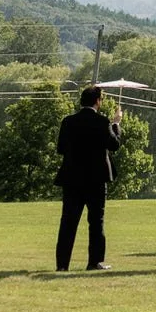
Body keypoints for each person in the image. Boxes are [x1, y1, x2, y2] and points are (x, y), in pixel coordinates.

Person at [54, 84, 121, 274]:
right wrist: (116, 124)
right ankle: (95, 261)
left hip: (72, 177)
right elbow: (114, 145)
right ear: (98, 102)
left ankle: (62, 264)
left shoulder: (68, 121)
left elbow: (61, 149)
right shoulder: (102, 122)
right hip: (96, 179)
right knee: (96, 221)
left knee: (68, 221)